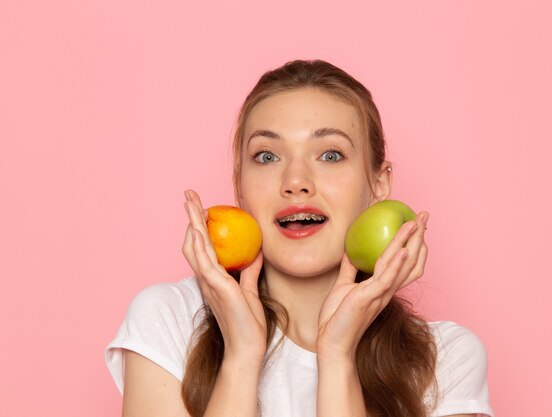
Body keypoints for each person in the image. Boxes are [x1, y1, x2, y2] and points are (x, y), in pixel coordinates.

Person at [105, 59, 494, 417]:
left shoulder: (444, 361)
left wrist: (337, 356)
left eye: (330, 155)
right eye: (267, 156)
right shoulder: (170, 320)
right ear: (240, 184)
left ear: (378, 185)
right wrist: (241, 358)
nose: (295, 182)